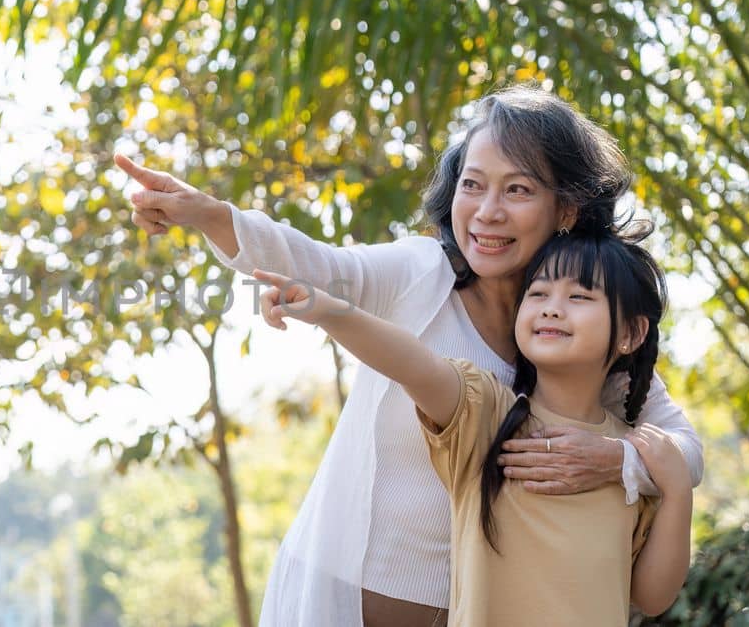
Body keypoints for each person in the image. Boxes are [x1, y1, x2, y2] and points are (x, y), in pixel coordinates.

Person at [118, 85, 704, 626]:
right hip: (339, 603)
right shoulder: (422, 274)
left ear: (568, 209)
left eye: (518, 189)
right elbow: (324, 269)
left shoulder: (578, 337)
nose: (487, 211)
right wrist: (211, 215)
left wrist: (614, 460)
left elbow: (685, 451)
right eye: (472, 185)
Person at [250, 230, 692, 625]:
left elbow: (652, 596)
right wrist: (326, 309)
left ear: (631, 333)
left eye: (579, 297)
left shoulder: (630, 457)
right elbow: (414, 364)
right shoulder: (487, 415)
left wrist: (677, 493)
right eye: (538, 294)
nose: (552, 310)